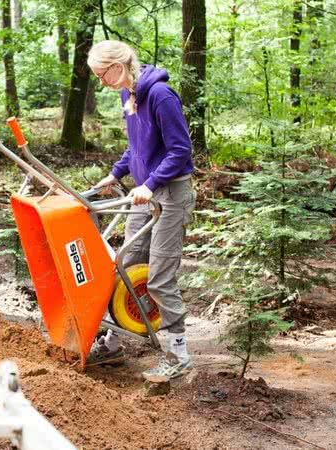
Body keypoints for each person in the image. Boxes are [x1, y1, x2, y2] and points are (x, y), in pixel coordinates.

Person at [86, 40, 196, 382]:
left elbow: (180, 150)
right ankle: (113, 344)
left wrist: (150, 184)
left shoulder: (161, 96)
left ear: (119, 65)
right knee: (125, 268)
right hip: (144, 192)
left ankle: (178, 355)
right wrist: (117, 173)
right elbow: (137, 145)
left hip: (169, 194)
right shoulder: (127, 94)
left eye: (103, 75)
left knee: (159, 277)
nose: (102, 83)